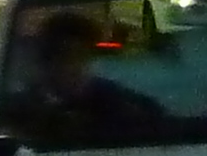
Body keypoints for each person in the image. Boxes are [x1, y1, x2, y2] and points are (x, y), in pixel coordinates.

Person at [9, 8, 165, 147]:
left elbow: (155, 121)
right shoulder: (21, 111)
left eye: (82, 56)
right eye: (65, 57)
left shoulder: (118, 102)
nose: (74, 67)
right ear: (47, 62)